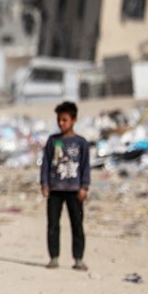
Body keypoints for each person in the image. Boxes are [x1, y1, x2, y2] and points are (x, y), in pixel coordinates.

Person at [40, 101, 90, 271]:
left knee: (77, 224)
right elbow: (46, 163)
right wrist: (45, 183)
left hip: (74, 190)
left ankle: (78, 259)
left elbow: (85, 166)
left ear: (74, 120)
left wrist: (84, 187)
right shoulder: (52, 141)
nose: (61, 123)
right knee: (53, 224)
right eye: (59, 120)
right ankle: (54, 257)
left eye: (65, 120)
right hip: (55, 189)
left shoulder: (81, 142)